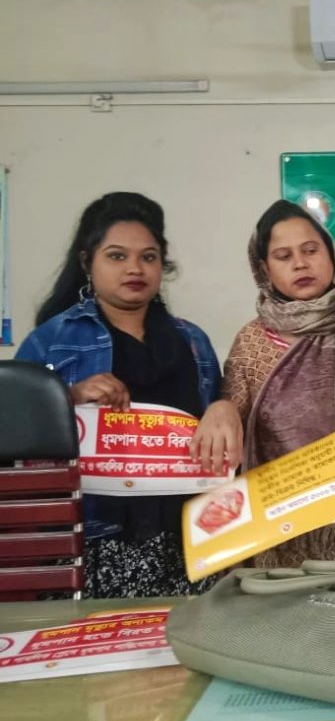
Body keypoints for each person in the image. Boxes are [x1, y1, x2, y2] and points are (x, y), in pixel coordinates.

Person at [16, 191, 239, 597]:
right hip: (91, 548)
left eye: (148, 257)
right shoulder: (52, 340)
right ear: (88, 263)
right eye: (117, 256)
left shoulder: (193, 341)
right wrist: (67, 399)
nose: (135, 268)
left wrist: (225, 408)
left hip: (192, 542)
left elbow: (220, 432)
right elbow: (13, 437)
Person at [197, 199, 335, 567]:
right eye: (283, 256)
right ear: (264, 270)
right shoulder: (252, 340)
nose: (300, 263)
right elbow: (232, 415)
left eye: (310, 250)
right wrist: (220, 409)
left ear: (331, 254)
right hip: (281, 526)